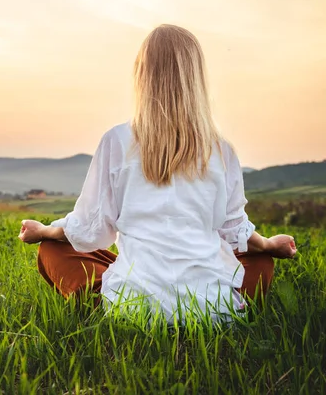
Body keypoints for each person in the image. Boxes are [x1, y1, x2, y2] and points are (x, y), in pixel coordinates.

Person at [19, 24, 296, 323]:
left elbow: (92, 229)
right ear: (197, 78)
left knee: (52, 251)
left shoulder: (116, 140)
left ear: (141, 75)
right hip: (213, 308)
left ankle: (115, 308)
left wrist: (44, 232)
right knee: (260, 260)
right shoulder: (221, 149)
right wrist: (267, 245)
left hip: (132, 308)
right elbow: (233, 231)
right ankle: (225, 303)